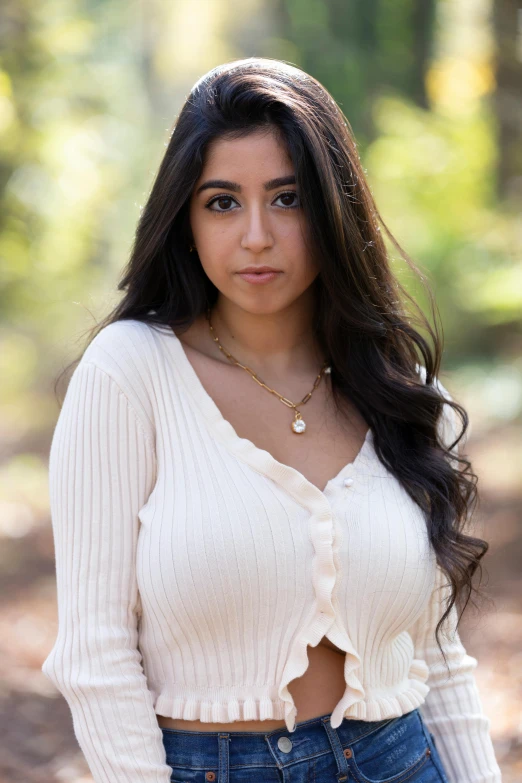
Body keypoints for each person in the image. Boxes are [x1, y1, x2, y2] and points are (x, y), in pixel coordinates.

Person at [41, 57, 502, 783]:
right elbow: (95, 653)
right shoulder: (130, 372)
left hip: (399, 758)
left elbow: (437, 658)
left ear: (333, 211)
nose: (256, 235)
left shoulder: (403, 393)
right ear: (185, 217)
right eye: (222, 202)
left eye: (287, 199)